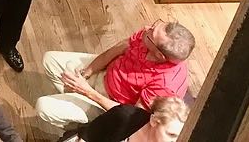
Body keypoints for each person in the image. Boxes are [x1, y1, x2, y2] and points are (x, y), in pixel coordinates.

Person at [36, 20, 195, 129]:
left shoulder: (164, 86)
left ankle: (87, 126)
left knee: (43, 107)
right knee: (49, 60)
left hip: (112, 105)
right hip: (107, 73)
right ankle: (72, 100)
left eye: (151, 33)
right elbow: (116, 49)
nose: (147, 28)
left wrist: (86, 91)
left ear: (160, 55)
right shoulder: (149, 35)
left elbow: (130, 117)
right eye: (154, 25)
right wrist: (88, 71)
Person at [68, 96, 188, 142]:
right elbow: (89, 135)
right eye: (171, 134)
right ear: (154, 121)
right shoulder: (125, 116)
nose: (175, 141)